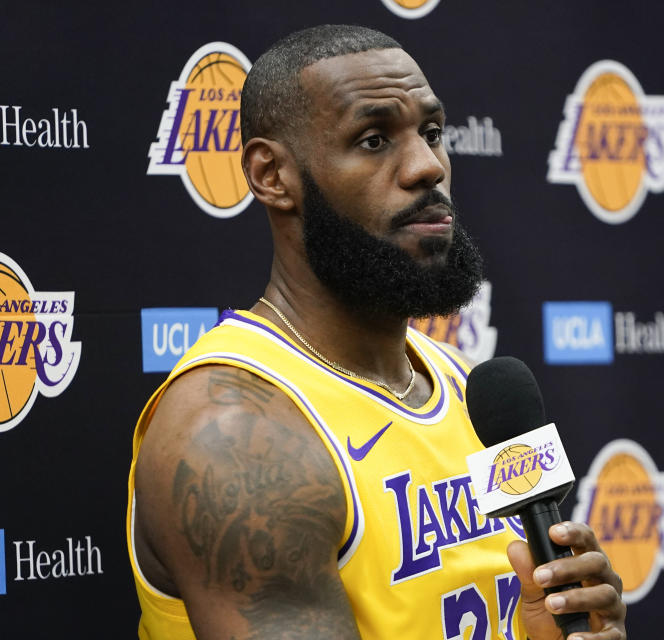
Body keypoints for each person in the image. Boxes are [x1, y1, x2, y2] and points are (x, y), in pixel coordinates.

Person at [126, 24, 627, 640]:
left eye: (433, 133)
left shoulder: (470, 385)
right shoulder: (236, 435)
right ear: (272, 175)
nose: (426, 166)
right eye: (372, 140)